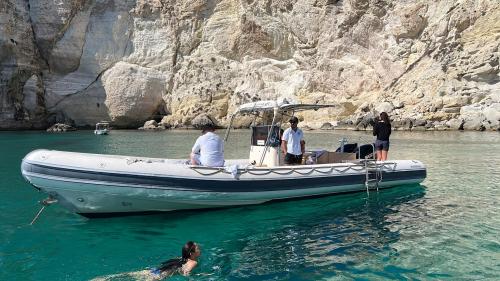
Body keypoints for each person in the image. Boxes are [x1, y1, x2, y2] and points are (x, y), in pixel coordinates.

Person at [91, 241, 201, 281]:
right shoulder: (193, 262)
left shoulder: (180, 258)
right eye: (198, 249)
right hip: (160, 276)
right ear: (192, 254)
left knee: (130, 274)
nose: (200, 250)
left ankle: (104, 278)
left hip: (155, 270)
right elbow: (186, 274)